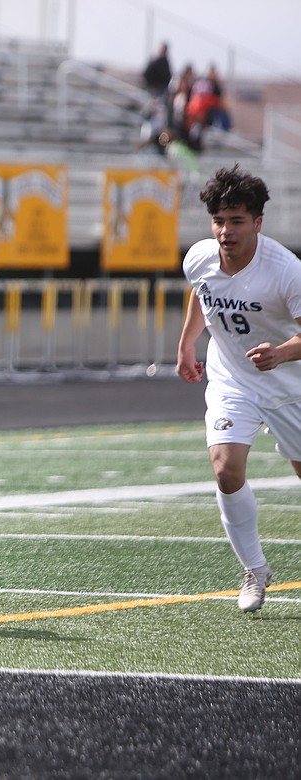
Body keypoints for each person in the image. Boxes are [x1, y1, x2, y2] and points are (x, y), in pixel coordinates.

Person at [176, 165, 301, 614]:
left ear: (258, 223)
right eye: (218, 221)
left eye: (237, 221)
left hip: (289, 385)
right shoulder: (199, 257)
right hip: (232, 379)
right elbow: (200, 293)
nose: (225, 231)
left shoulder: (287, 271)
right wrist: (188, 342)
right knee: (226, 470)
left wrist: (282, 354)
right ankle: (255, 568)